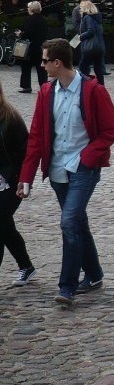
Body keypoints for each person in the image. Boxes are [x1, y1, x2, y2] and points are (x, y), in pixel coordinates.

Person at [18, 38, 114, 305]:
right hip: (57, 170)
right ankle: (94, 274)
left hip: (83, 168)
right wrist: (26, 177)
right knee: (76, 223)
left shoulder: (93, 91)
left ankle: (67, 286)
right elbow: (36, 136)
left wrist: (87, 157)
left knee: (69, 222)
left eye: (44, 61)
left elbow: (110, 131)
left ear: (57, 63)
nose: (41, 65)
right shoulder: (46, 92)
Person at [0, 81, 35, 287]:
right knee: (5, 226)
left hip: (9, 181)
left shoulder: (10, 118)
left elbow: (25, 152)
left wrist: (24, 179)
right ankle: (26, 266)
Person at [17, 0, 47, 94]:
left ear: (31, 9)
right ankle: (44, 86)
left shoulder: (30, 19)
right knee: (41, 68)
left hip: (29, 47)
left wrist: (20, 34)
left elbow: (27, 33)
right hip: (40, 46)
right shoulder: (43, 19)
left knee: (25, 67)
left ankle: (26, 86)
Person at [77, 0, 107, 86]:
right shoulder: (97, 18)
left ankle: (86, 86)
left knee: (82, 67)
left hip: (90, 47)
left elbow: (90, 31)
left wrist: (81, 36)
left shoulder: (87, 17)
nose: (80, 9)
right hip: (99, 46)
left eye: (81, 7)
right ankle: (101, 87)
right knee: (98, 69)